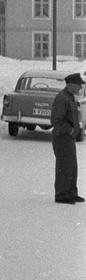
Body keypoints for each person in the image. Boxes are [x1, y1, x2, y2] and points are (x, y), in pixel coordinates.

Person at [50, 72, 84, 204]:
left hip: (68, 137)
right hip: (62, 136)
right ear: (70, 85)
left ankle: (71, 193)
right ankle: (61, 195)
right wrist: (70, 130)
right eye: (78, 85)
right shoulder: (62, 98)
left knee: (72, 166)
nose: (80, 88)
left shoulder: (69, 97)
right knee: (64, 166)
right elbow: (55, 120)